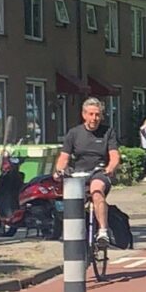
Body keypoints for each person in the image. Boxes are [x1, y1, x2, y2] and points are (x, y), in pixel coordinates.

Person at [54, 98, 121, 246]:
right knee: (68, 200)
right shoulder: (74, 133)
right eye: (91, 114)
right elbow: (64, 157)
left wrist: (110, 168)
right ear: (84, 115)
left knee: (96, 191)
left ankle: (103, 231)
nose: (94, 118)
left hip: (99, 171)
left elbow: (115, 155)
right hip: (79, 173)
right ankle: (70, 233)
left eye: (97, 115)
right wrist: (59, 171)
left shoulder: (107, 132)